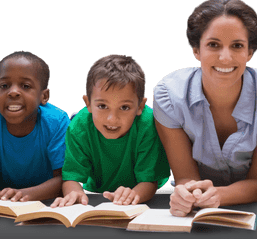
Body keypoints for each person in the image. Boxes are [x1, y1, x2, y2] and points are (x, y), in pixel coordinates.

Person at [153, 0, 257, 216]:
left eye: (237, 46)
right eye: (213, 45)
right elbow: (185, 177)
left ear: (250, 52)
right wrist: (188, 195)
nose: (225, 58)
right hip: (200, 206)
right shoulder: (169, 96)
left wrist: (218, 196)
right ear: (196, 50)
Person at [52, 54, 170, 207]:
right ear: (88, 103)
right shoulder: (79, 126)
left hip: (143, 196)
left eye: (124, 107)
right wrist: (74, 193)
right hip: (96, 194)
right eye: (102, 106)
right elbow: (71, 178)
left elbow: (149, 182)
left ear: (140, 106)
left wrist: (133, 195)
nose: (112, 119)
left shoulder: (148, 124)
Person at [0, 51, 69, 203]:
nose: (13, 92)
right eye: (4, 86)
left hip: (47, 203)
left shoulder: (57, 122)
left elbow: (65, 178)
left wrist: (24, 194)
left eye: (26, 86)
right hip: (2, 204)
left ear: (44, 96)